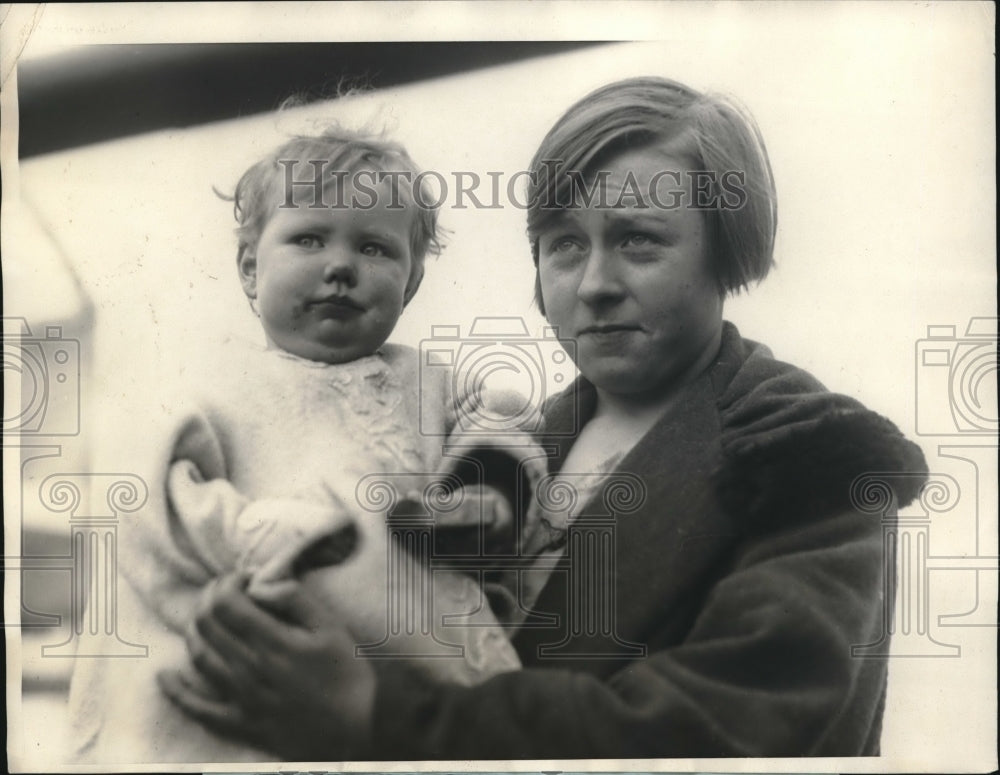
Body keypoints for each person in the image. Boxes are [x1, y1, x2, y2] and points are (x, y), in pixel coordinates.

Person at [159, 77, 929, 759]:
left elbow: (745, 727)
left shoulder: (808, 450)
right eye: (564, 244)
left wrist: (378, 717)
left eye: (638, 239)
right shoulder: (502, 446)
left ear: (725, 252)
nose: (594, 283)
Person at [67, 126, 546, 764]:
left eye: (374, 248)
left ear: (410, 285)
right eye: (309, 238)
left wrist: (483, 492)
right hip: (258, 649)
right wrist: (271, 537)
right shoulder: (208, 386)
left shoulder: (433, 383)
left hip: (400, 688)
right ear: (249, 267)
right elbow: (144, 493)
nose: (341, 266)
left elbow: (510, 421)